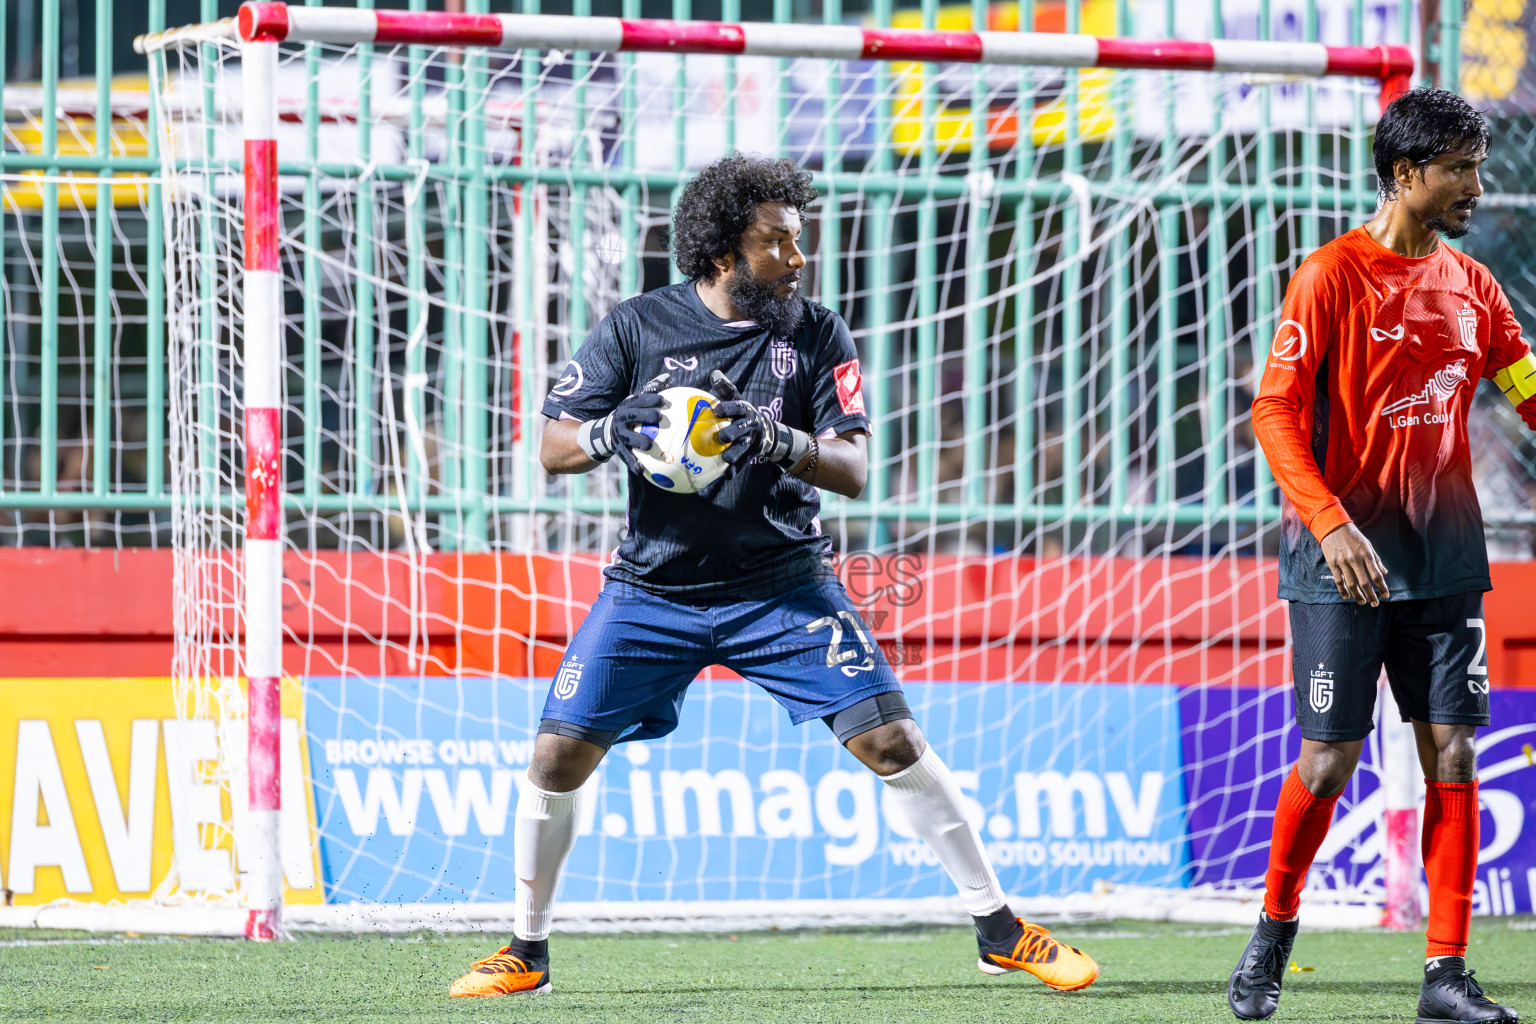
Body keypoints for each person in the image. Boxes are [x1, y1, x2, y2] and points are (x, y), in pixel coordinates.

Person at [448, 153, 1101, 998]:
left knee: (891, 740)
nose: (798, 258)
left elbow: (856, 468)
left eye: (799, 240)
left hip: (782, 586)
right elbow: (553, 445)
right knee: (555, 755)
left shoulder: (816, 333)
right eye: (777, 243)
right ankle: (525, 953)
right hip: (653, 592)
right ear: (721, 252)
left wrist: (778, 439)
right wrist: (613, 432)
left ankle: (1000, 929)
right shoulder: (635, 328)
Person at [1231, 89, 1535, 1024]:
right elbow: (1273, 410)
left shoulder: (1475, 286)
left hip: (1444, 557)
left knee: (1452, 744)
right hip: (1339, 560)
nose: (1475, 187)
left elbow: (1526, 386)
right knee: (1327, 764)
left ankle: (1445, 973)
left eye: (1478, 167)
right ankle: (1272, 935)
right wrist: (1328, 522)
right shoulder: (1329, 277)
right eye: (1459, 169)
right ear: (1406, 175)